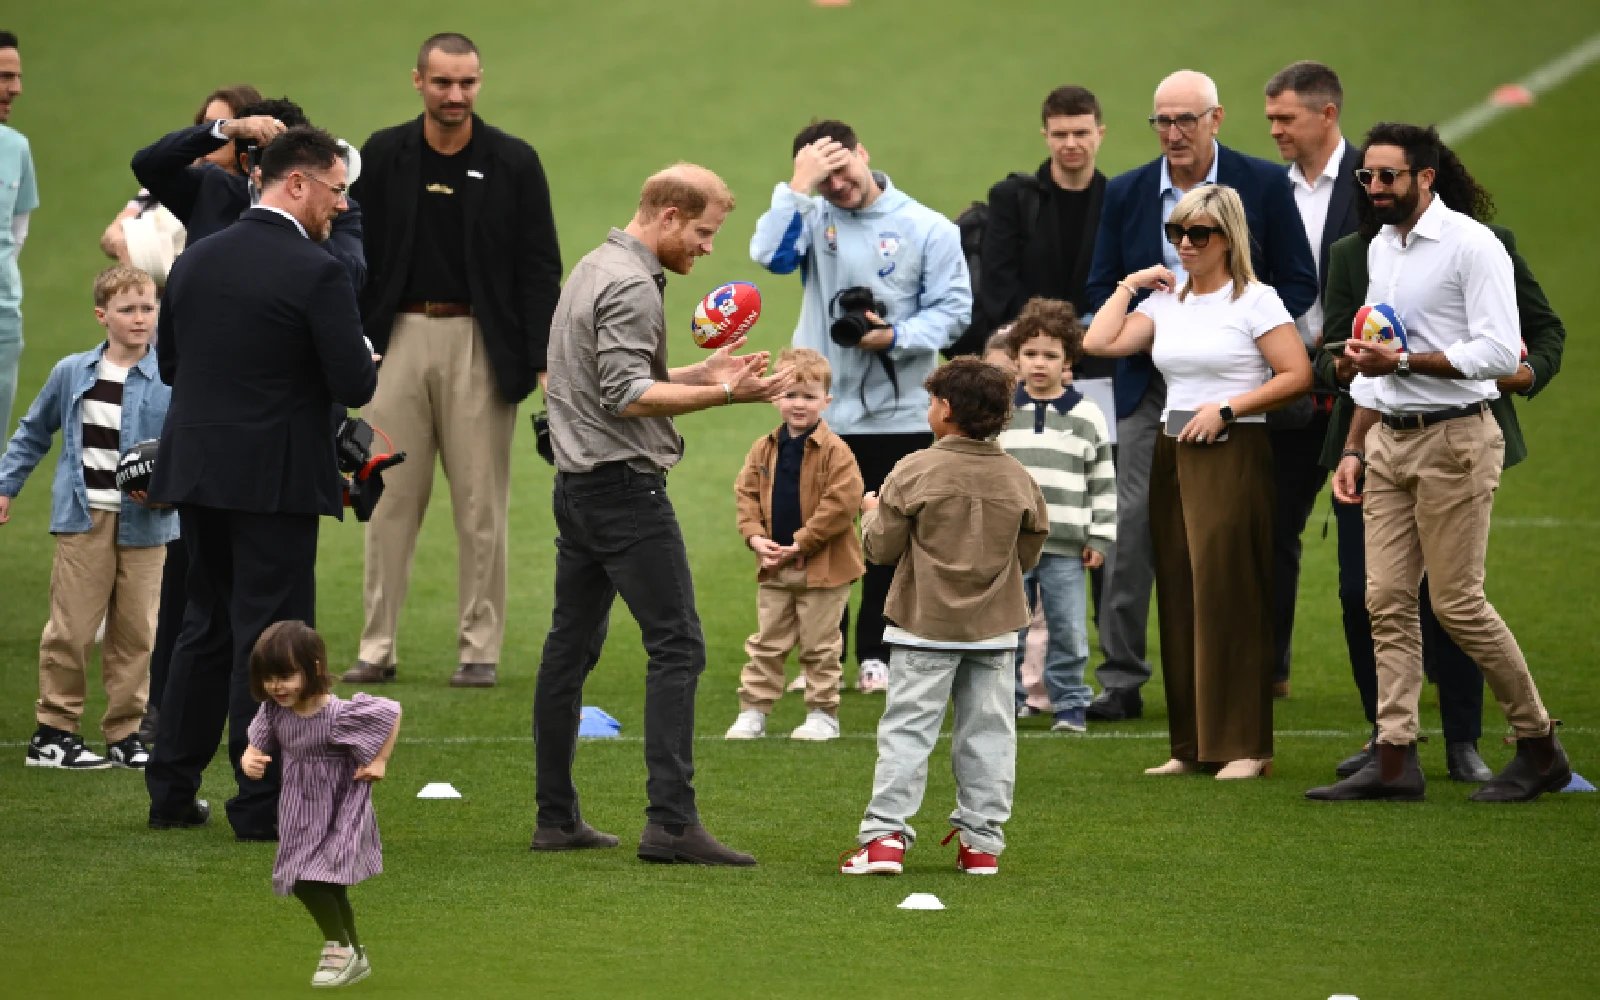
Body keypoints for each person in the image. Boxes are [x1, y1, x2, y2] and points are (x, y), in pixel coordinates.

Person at [532, 163, 792, 866]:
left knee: (569, 648)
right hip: (623, 493)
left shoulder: (594, 265)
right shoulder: (631, 284)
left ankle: (555, 818)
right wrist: (730, 398)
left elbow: (593, 377)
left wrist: (701, 374)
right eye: (704, 232)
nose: (708, 248)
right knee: (677, 646)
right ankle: (672, 824)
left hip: (576, 488)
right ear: (670, 216)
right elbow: (623, 395)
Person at [1306, 124, 1569, 803]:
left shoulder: (1472, 246)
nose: (1374, 189)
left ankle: (1538, 745)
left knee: (1457, 604)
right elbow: (1374, 352)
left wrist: (1401, 363)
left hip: (1455, 441)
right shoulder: (1383, 249)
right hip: (1387, 438)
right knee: (1385, 601)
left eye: (1387, 177)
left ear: (1425, 177)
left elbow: (1497, 354)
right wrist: (1356, 444)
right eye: (1366, 177)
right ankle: (1395, 756)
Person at [144, 126, 378, 839]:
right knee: (272, 640)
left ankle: (171, 792)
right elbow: (355, 382)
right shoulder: (317, 271)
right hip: (274, 479)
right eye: (336, 191)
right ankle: (261, 804)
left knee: (203, 626)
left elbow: (172, 365)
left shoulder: (196, 259)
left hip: (198, 470)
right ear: (297, 183)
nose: (340, 206)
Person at [1082, 69, 1317, 723]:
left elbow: (1297, 281)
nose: (1174, 133)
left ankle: (1247, 674)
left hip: (1232, 387)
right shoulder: (1128, 191)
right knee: (1128, 531)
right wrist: (1142, 303)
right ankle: (1123, 679)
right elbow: (1100, 288)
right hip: (1145, 378)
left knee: (1232, 539)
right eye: (1162, 121)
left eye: (1186, 120)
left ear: (1217, 118)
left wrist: (1235, 333)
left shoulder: (1264, 184)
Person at [343, 31, 563, 690]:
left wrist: (542, 362)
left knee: (480, 506)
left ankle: (479, 649)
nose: (455, 95)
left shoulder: (514, 162)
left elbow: (538, 267)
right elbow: (349, 253)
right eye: (442, 83)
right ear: (418, 82)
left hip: (480, 346)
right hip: (396, 343)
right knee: (385, 500)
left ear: (479, 81)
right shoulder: (383, 155)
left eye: (466, 82)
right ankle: (376, 647)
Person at [751, 118, 971, 694]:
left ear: (863, 154)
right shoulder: (810, 216)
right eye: (824, 179)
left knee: (888, 535)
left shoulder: (927, 227)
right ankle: (821, 656)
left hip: (901, 416)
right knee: (817, 535)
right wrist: (797, 190)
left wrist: (893, 337)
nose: (838, 187)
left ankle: (879, 653)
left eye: (842, 171)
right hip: (819, 413)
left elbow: (955, 311)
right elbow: (769, 258)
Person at [839, 358, 1048, 877]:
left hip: (922, 625)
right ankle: (981, 844)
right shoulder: (1018, 476)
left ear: (946, 409)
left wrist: (869, 511)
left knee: (908, 732)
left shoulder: (914, 468)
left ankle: (885, 838)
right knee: (989, 737)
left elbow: (881, 548)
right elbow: (1032, 545)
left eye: (932, 401)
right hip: (995, 629)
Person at [0, 265, 176, 769]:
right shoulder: (72, 373)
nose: (140, 318)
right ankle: (53, 733)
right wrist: (6, 485)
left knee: (136, 635)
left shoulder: (170, 379)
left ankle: (125, 735)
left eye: (147, 308)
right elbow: (33, 432)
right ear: (103, 315)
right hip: (84, 520)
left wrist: (170, 493)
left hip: (149, 526)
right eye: (128, 309)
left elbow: (189, 448)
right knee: (71, 631)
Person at [1261, 60, 1364, 699]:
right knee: (1272, 528)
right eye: (1269, 117)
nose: (1273, 130)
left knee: (1388, 540)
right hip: (1292, 382)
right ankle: (1270, 668)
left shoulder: (1373, 185)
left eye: (1285, 118)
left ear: (1327, 115)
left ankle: (1431, 665)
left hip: (1364, 389)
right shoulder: (1267, 190)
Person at [241, 620, 401, 989]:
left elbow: (391, 713)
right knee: (329, 885)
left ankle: (338, 948)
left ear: (313, 668)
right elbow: (256, 743)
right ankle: (355, 955)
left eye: (284, 676)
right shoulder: (274, 712)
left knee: (307, 881)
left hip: (342, 808)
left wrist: (379, 761)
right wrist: (250, 758)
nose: (276, 686)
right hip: (299, 810)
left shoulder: (339, 714)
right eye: (268, 677)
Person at [725, 347, 865, 742]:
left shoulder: (836, 451)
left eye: (808, 396)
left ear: (826, 400)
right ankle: (753, 710)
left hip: (824, 567)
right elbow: (746, 493)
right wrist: (754, 536)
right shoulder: (763, 448)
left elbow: (842, 504)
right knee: (767, 643)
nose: (798, 404)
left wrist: (802, 542)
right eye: (789, 394)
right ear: (774, 397)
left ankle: (823, 713)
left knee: (820, 645)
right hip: (775, 564)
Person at [996, 298, 1115, 732]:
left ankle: (1069, 704)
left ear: (1069, 361)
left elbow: (1103, 479)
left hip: (1067, 545)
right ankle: (1005, 702)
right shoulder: (1001, 413)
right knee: (1009, 630)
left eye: (1051, 355)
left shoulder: (1087, 415)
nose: (1039, 363)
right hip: (1009, 546)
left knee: (1067, 630)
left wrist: (1100, 537)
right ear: (1015, 359)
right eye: (1030, 354)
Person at [963, 87, 1112, 413]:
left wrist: (1075, 349)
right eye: (1060, 134)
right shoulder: (1012, 198)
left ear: (1100, 134)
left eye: (1081, 133)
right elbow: (998, 285)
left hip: (1096, 366)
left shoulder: (1117, 200)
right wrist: (1041, 349)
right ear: (1046, 136)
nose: (1071, 143)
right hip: (1024, 364)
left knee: (1095, 457)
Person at [130, 95, 366, 289]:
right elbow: (148, 164)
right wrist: (227, 129)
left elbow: (352, 278)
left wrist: (305, 218)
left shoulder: (335, 205)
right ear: (247, 163)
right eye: (277, 164)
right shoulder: (210, 189)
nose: (291, 177)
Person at [101, 85, 264, 277]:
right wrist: (142, 257)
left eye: (226, 125)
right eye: (208, 125)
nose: (216, 132)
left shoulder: (261, 190)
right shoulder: (181, 178)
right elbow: (112, 234)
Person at [0, 29, 36, 437]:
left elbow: (16, 233)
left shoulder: (16, 149)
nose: (17, 89)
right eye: (4, 77)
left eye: (17, 76)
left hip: (3, 319)